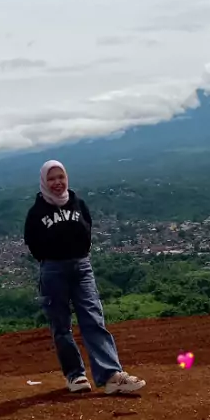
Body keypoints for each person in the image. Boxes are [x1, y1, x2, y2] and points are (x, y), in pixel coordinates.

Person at [24, 160, 146, 397]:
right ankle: (75, 375)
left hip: (82, 267)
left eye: (61, 177)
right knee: (61, 325)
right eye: (51, 178)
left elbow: (86, 229)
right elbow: (33, 243)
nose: (57, 182)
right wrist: (54, 259)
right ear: (44, 182)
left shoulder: (78, 203)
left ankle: (111, 375)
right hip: (53, 270)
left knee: (93, 318)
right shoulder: (36, 213)